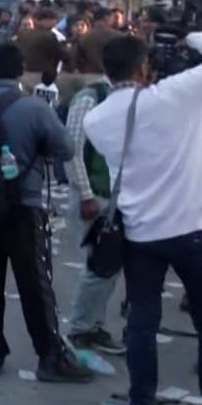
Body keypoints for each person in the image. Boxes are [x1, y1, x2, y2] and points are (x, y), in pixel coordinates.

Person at [84, 32, 202, 405]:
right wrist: (192, 36)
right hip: (196, 228)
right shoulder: (179, 94)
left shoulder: (96, 119)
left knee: (142, 322)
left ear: (107, 71)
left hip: (143, 235)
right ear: (143, 67)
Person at [0, 41, 90, 382]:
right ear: (20, 68)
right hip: (22, 207)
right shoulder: (34, 109)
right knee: (34, 283)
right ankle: (49, 357)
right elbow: (66, 149)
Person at [62, 55, 123, 355]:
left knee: (107, 267)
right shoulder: (90, 99)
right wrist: (86, 195)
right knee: (100, 265)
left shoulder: (122, 99)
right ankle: (81, 329)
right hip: (95, 197)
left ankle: (93, 325)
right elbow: (72, 150)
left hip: (114, 196)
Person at [17, 7, 66, 91]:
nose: (54, 23)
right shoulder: (49, 36)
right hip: (41, 77)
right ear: (46, 20)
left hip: (23, 75)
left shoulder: (23, 33)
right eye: (52, 20)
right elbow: (62, 55)